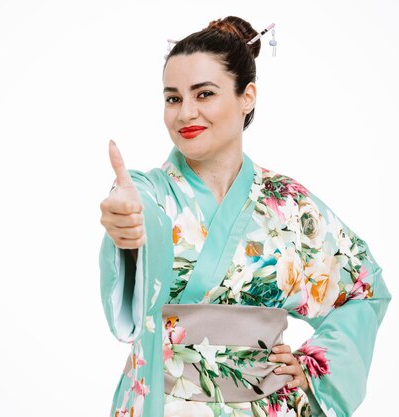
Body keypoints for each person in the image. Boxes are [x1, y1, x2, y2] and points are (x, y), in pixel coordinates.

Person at [98, 16, 392, 417]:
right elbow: (134, 208)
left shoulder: (289, 204)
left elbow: (363, 288)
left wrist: (315, 365)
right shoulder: (149, 193)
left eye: (204, 94)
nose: (185, 113)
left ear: (247, 96)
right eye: (173, 98)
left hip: (270, 407)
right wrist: (126, 222)